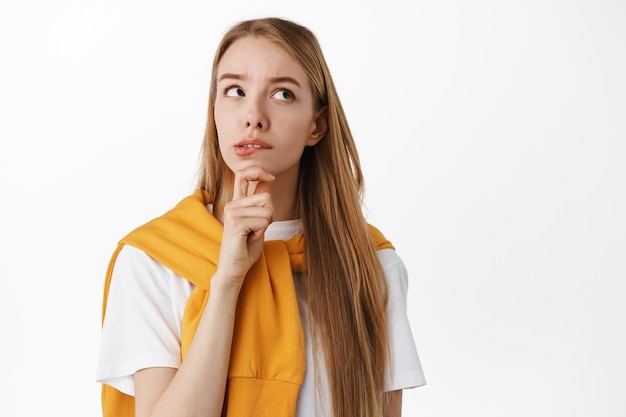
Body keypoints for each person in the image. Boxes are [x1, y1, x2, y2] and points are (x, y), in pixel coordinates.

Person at [96, 17, 425, 417]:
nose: (253, 115)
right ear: (214, 110)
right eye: (234, 91)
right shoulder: (153, 259)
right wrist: (226, 283)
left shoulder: (370, 264)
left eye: (282, 94)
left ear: (316, 125)